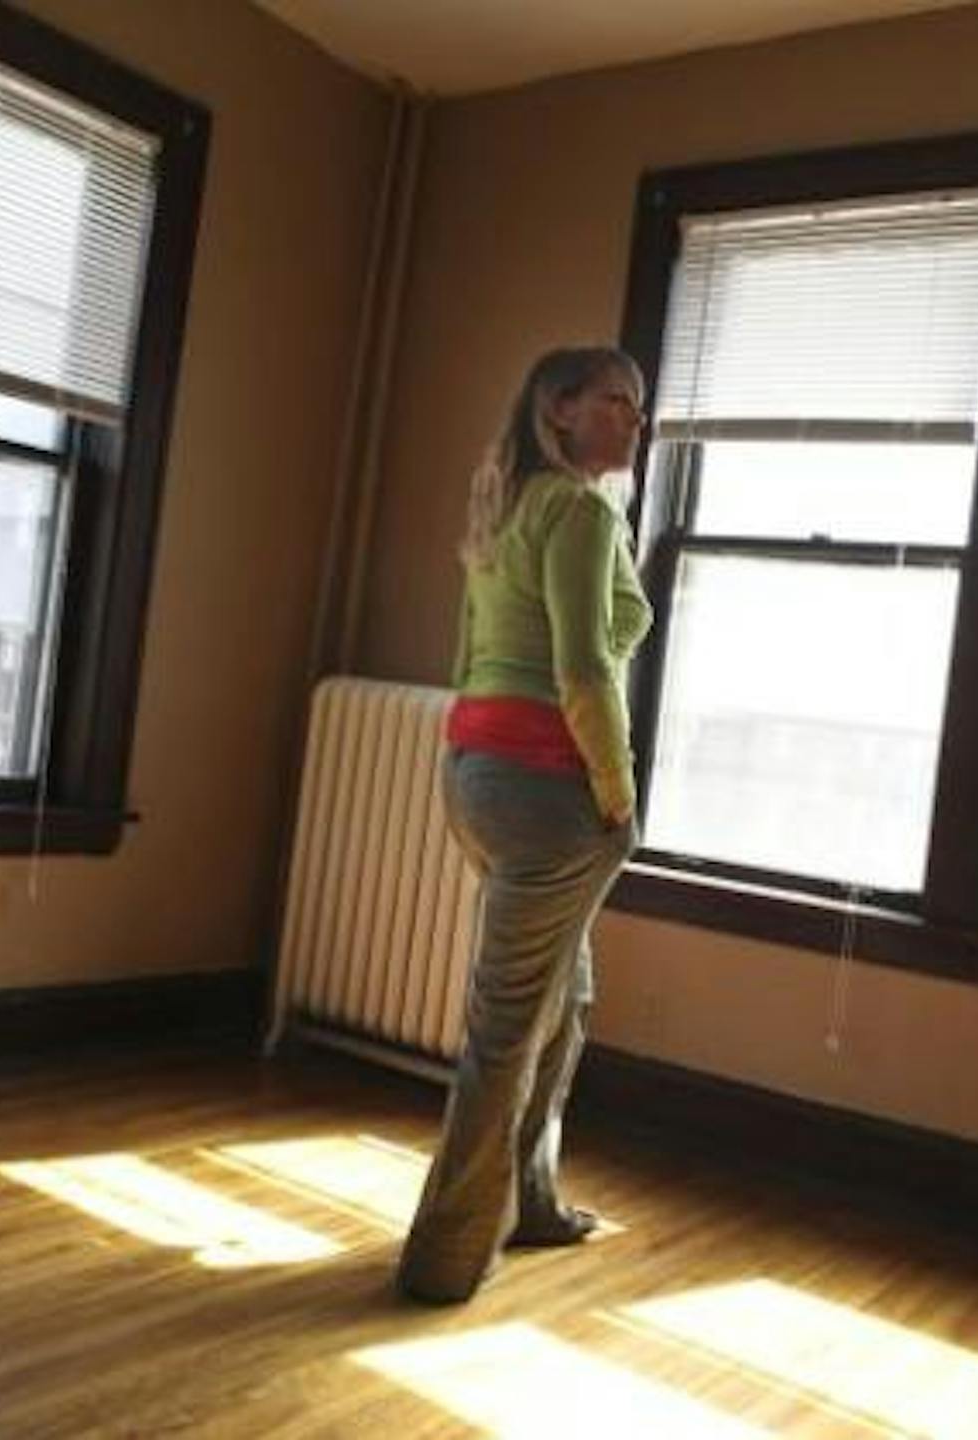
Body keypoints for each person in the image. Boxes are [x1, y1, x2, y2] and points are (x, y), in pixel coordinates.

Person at [395, 346, 652, 1305]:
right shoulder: (580, 510)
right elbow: (587, 670)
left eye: (638, 405)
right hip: (551, 794)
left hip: (477, 773)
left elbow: (473, 655)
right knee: (506, 1031)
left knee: (566, 1005)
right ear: (560, 410)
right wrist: (617, 799)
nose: (634, 420)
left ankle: (531, 1200)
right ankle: (444, 1257)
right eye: (615, 403)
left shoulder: (506, 500)